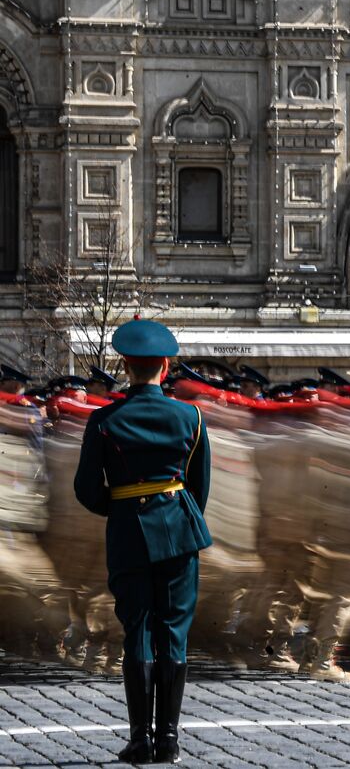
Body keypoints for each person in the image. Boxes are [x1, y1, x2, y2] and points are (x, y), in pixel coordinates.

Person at [74, 318, 212, 764]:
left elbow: (86, 488)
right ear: (165, 366)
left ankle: (139, 740)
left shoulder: (103, 420)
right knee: (173, 632)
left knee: (138, 630)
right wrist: (178, 516)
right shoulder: (190, 416)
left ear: (126, 365)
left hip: (128, 532)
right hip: (177, 528)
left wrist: (118, 510)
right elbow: (199, 484)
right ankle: (168, 740)